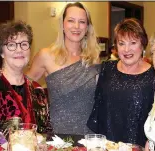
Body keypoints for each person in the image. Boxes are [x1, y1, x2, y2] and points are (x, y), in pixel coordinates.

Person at [27, 2, 101, 136]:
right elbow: (23, 89)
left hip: (88, 136)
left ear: (87, 27)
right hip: (58, 137)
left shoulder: (93, 59)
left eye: (82, 22)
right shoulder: (46, 55)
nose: (76, 26)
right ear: (62, 24)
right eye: (71, 21)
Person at [0, 20, 53, 146]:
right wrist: (13, 136)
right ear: (1, 51)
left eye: (24, 44)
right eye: (11, 45)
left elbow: (46, 133)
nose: (19, 50)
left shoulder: (37, 89)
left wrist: (43, 141)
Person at [87, 18, 155, 147]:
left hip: (139, 147)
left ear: (142, 44)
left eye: (133, 43)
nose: (127, 49)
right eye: (121, 43)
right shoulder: (106, 69)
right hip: (106, 146)